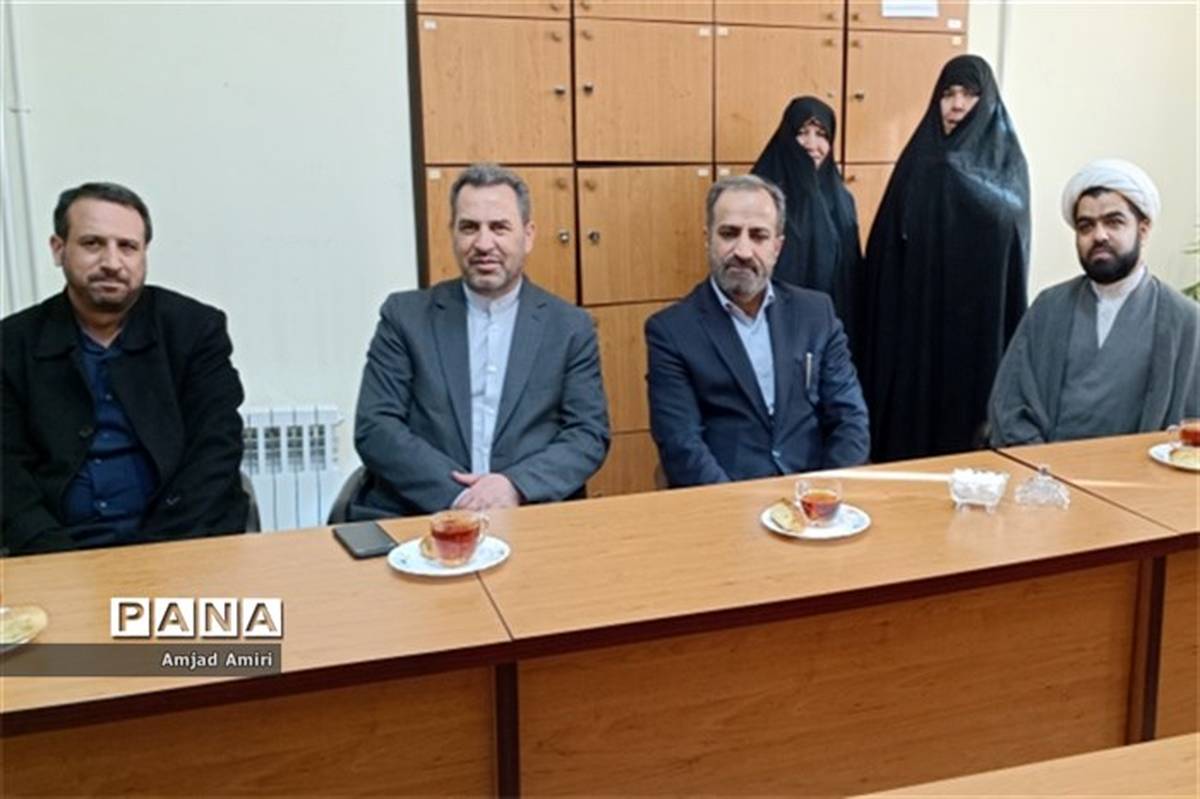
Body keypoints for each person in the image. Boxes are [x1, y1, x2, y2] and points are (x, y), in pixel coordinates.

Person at [1, 182, 247, 555]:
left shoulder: (194, 329)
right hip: (56, 549)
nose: (112, 263)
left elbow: (216, 449)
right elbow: (6, 470)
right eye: (92, 244)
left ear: (143, 254)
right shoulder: (11, 343)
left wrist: (153, 556)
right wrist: (54, 554)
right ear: (58, 249)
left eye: (127, 247)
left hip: (181, 541)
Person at [351, 163, 610, 518]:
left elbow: (587, 435)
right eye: (469, 227)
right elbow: (376, 427)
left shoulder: (568, 327)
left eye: (499, 227)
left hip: (528, 515)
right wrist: (461, 497)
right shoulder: (405, 317)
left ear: (528, 235)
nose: (484, 244)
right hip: (422, 515)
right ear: (452, 234)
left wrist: (514, 486)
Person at [855, 54, 1030, 462]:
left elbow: (1010, 242)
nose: (956, 104)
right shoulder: (919, 161)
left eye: (969, 94)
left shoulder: (1007, 165)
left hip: (977, 326)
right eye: (948, 94)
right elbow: (885, 248)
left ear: (987, 101)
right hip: (915, 321)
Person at [645, 175, 869, 487]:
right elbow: (681, 443)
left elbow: (850, 417)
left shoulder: (816, 313)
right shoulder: (671, 331)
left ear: (777, 247)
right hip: (727, 495)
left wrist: (824, 493)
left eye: (758, 236)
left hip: (812, 491)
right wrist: (733, 505)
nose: (743, 251)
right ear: (708, 239)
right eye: (729, 233)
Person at [988, 159, 1199, 445]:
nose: (1099, 235)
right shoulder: (1048, 308)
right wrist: (1041, 466)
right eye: (1086, 226)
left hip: (1138, 470)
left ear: (1143, 229)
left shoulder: (1184, 320)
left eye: (1114, 222)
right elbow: (1010, 407)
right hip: (1042, 467)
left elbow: (1189, 428)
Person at [751, 96, 861, 326]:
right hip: (778, 320)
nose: (812, 144)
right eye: (802, 133)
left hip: (832, 320)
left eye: (821, 134)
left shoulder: (842, 198)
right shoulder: (761, 194)